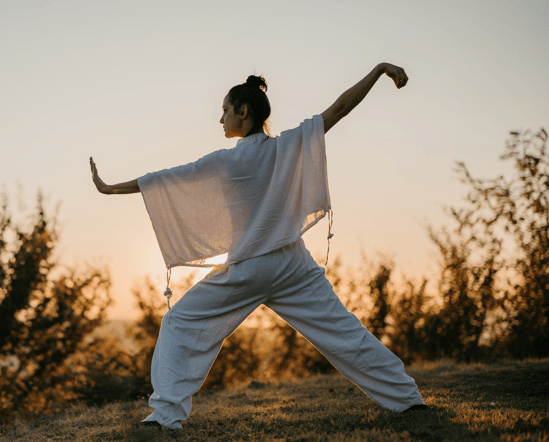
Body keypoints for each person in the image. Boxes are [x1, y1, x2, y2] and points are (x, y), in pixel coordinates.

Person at [90, 63, 426, 430]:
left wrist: (109, 188)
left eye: (224, 110)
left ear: (243, 111)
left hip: (249, 268)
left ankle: (166, 414)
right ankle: (408, 400)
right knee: (344, 333)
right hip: (293, 265)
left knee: (179, 322)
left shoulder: (225, 160)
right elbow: (340, 108)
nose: (220, 118)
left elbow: (164, 182)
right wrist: (378, 71)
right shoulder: (287, 147)